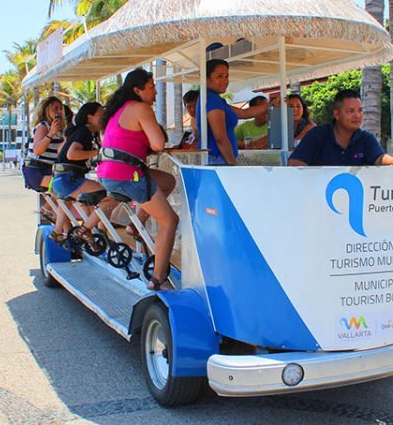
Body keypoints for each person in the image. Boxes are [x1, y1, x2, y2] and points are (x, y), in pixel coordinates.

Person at [97, 68, 178, 291]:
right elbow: (159, 144)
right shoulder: (141, 108)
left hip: (109, 174)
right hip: (126, 175)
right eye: (152, 87)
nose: (155, 93)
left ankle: (136, 224)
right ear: (137, 90)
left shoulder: (118, 110)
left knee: (167, 181)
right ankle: (157, 279)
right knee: (170, 221)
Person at [287, 90, 393, 166]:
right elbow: (294, 162)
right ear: (336, 114)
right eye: (350, 111)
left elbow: (380, 158)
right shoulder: (317, 135)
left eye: (360, 110)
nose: (357, 115)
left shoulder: (366, 138)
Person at [194, 59, 277, 165]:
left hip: (215, 158)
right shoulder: (212, 100)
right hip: (218, 158)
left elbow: (244, 113)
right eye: (219, 76)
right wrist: (232, 163)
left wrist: (270, 104)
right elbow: (220, 137)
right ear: (206, 79)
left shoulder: (213, 99)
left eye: (226, 76)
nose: (225, 81)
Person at [51, 102, 107, 251]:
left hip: (59, 179)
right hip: (68, 179)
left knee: (75, 200)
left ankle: (57, 232)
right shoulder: (84, 132)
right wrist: (99, 153)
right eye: (101, 114)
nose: (105, 117)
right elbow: (72, 153)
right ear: (90, 117)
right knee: (109, 196)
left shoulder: (80, 132)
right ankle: (87, 229)